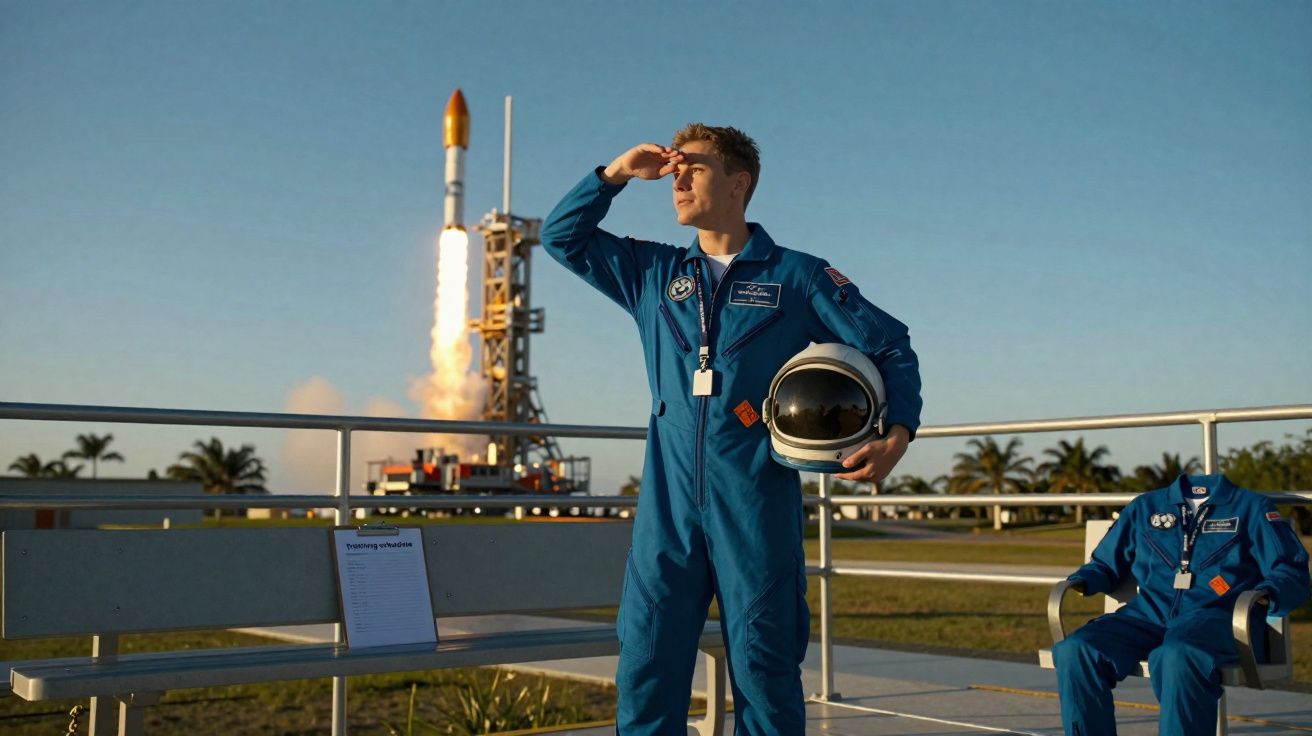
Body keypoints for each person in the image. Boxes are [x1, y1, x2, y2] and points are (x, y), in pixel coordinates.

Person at [539, 124, 922, 734]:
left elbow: (890, 344)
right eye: (673, 169)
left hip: (755, 501)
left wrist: (897, 433)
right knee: (646, 664)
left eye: (695, 167)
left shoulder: (798, 277)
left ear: (739, 183)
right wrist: (614, 174)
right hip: (667, 508)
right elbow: (560, 237)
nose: (677, 179)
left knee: (764, 668)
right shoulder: (652, 272)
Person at [1053, 473, 1310, 735]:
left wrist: (1269, 592)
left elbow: (1290, 569)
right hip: (1149, 614)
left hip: (1217, 616)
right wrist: (1084, 580)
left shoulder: (1250, 507)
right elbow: (1106, 563)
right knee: (1075, 650)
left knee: (1177, 654)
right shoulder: (1146, 507)